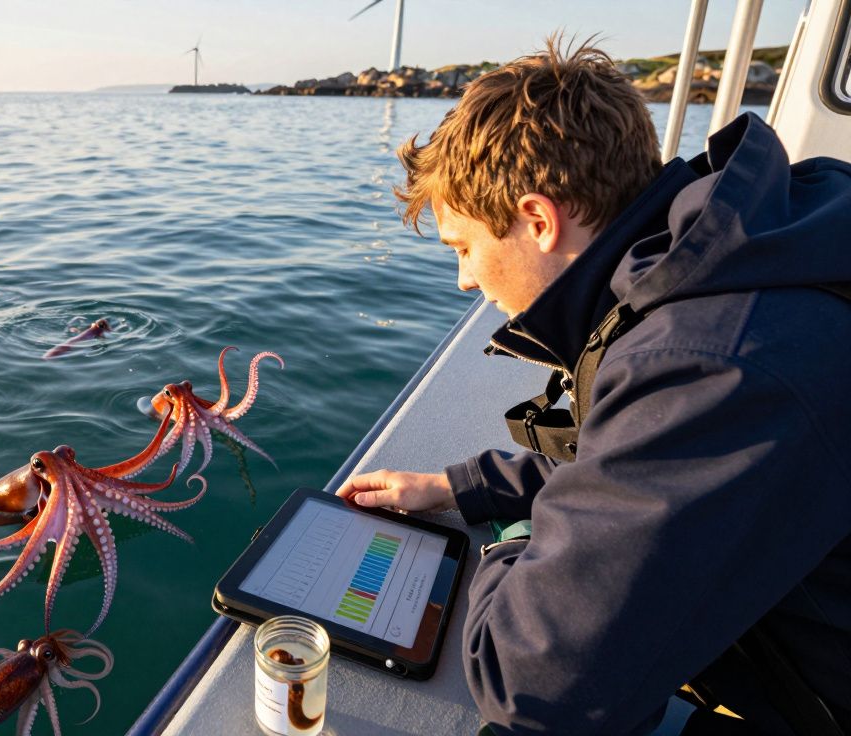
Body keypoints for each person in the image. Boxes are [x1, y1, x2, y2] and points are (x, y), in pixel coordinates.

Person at [337, 36, 851, 735]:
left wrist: (515, 537)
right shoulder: (743, 259)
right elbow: (649, 467)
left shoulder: (704, 360)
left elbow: (533, 684)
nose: (464, 280)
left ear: (539, 220)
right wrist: (468, 487)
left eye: (464, 249)